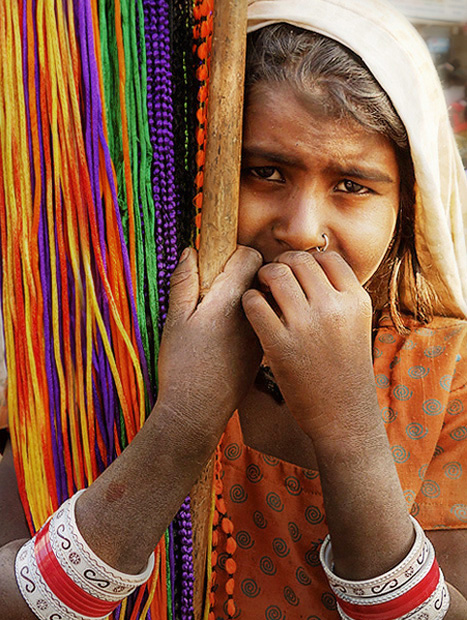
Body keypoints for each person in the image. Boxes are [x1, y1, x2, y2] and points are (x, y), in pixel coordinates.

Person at [1, 0, 467, 619]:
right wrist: (183, 424)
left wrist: (348, 426)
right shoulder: (108, 342)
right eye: (265, 171)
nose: (303, 231)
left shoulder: (442, 368)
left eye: (353, 185)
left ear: (405, 206)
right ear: (205, 170)